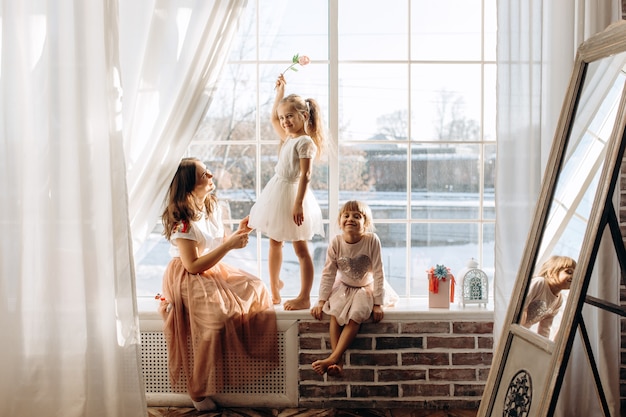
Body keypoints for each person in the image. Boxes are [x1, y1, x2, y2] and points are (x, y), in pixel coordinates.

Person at [158, 157, 278, 411]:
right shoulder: (183, 221)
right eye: (205, 174)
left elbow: (218, 243)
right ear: (190, 184)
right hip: (188, 275)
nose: (211, 176)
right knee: (216, 322)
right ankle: (197, 390)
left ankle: (231, 370)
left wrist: (238, 233)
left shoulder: (213, 208)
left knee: (256, 287)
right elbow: (192, 265)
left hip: (210, 269)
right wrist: (229, 245)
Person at [248, 74, 326, 310]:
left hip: (293, 194)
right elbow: (272, 117)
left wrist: (298, 203)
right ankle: (274, 287)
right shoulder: (288, 137)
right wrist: (280, 93)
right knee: (274, 241)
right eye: (283, 118)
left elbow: (306, 175)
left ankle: (304, 296)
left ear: (304, 116)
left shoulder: (305, 142)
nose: (284, 121)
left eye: (289, 116)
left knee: (301, 248)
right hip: (277, 191)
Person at [310, 200, 398, 377]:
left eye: (357, 216)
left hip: (366, 287)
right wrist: (321, 300)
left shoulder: (371, 241)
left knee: (356, 315)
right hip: (344, 286)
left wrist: (378, 303)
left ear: (365, 224)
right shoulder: (336, 242)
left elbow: (379, 273)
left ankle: (332, 358)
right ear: (340, 221)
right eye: (346, 215)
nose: (351, 219)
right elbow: (328, 273)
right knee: (335, 313)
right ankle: (338, 361)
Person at [520, 255, 577, 339]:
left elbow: (545, 327)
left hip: (521, 333)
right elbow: (522, 307)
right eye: (569, 272)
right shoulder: (540, 283)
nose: (573, 277)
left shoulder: (559, 300)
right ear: (551, 272)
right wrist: (518, 330)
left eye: (576, 274)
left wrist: (543, 347)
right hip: (513, 327)